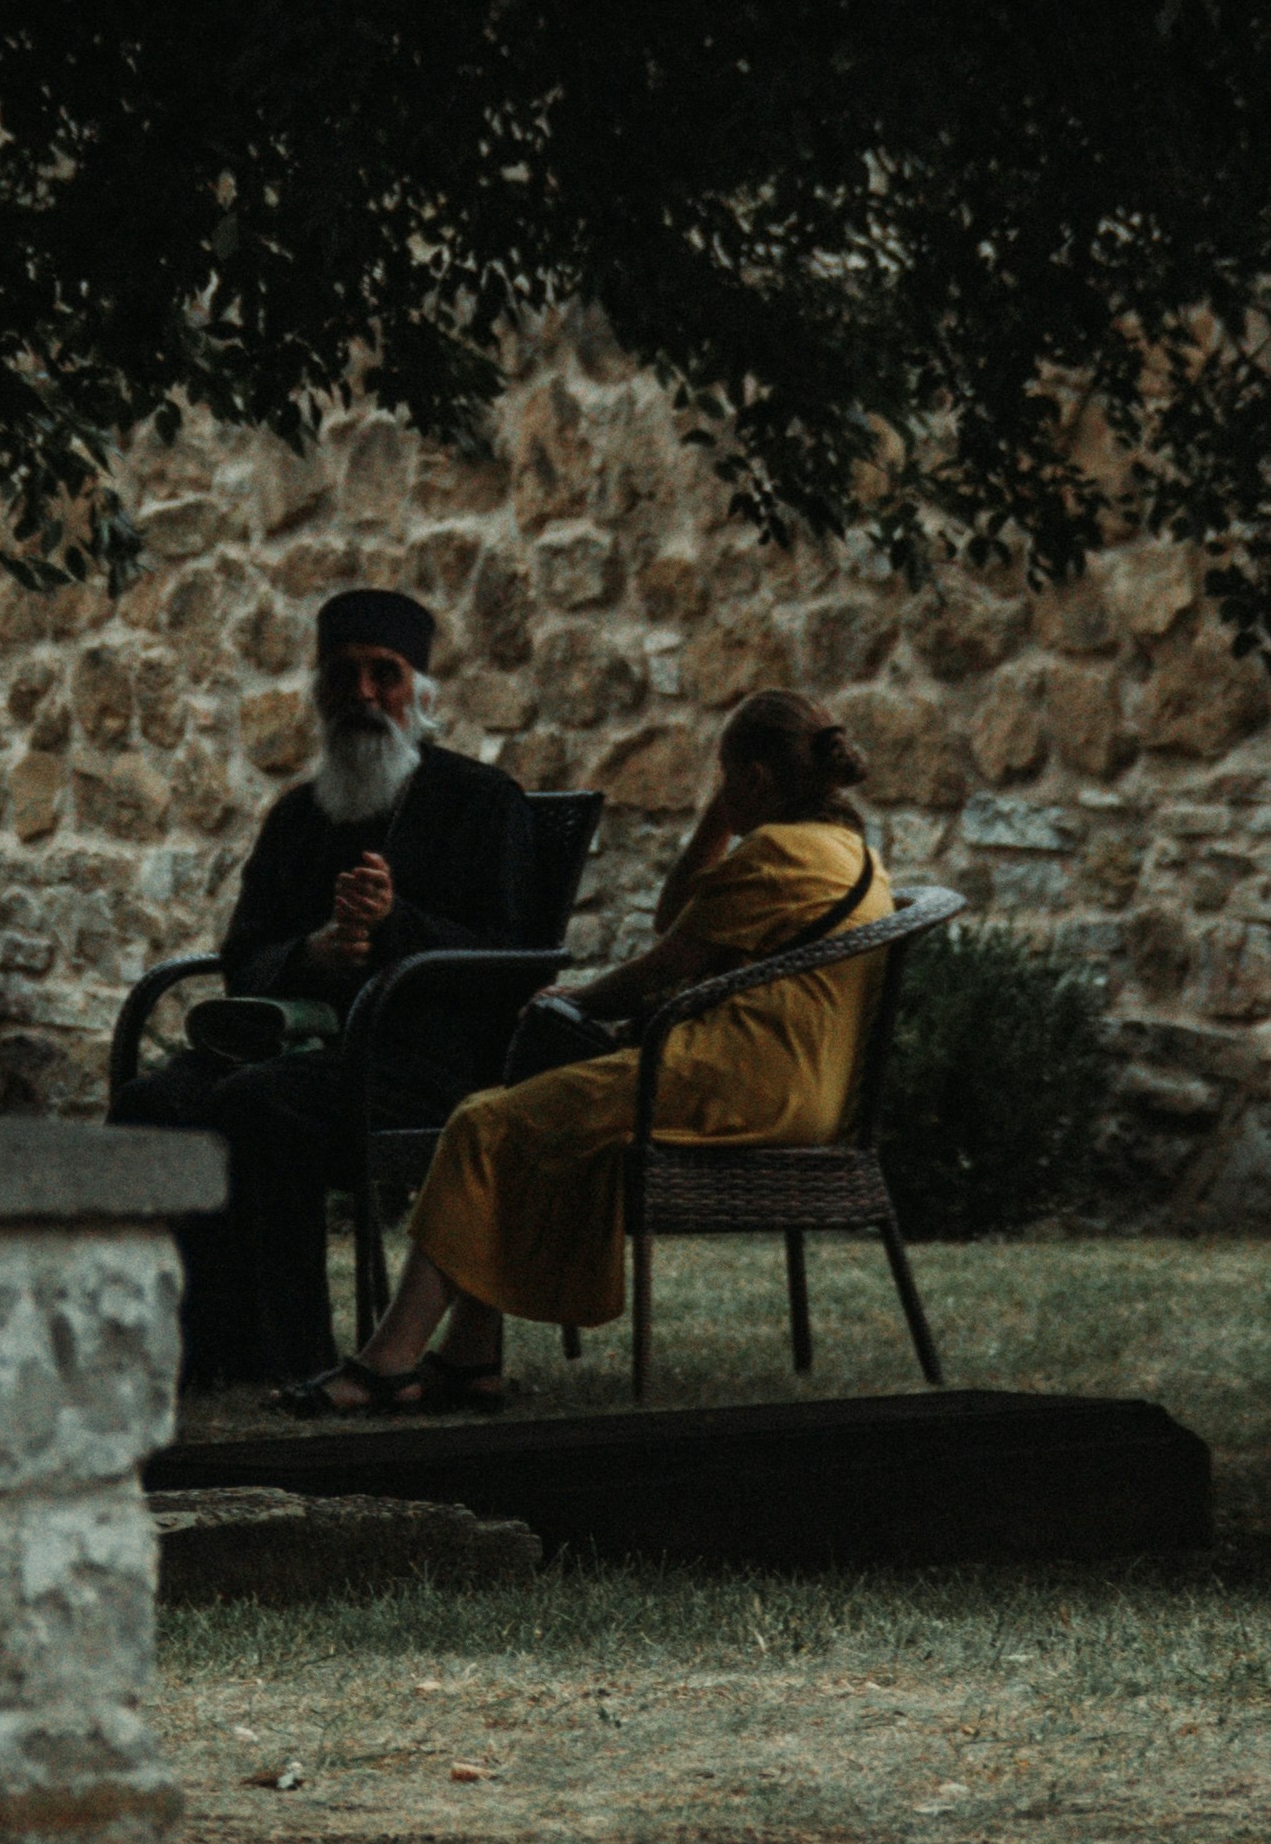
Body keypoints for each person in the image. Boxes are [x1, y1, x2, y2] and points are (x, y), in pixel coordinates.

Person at [281, 687, 890, 1413]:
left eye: (726, 778)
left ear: (755, 778)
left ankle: (387, 1363)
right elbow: (681, 914)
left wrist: (576, 999)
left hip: (731, 1084)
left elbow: (661, 966)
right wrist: (721, 818)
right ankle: (470, 1357)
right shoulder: (847, 851)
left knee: (481, 1123)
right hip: (801, 1090)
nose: (720, 793)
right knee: (519, 1123)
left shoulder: (778, 855)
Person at [111, 586, 546, 1390]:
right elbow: (244, 952)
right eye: (343, 675)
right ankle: (189, 1350)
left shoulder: (482, 802)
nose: (363, 694)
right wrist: (311, 954)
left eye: (385, 674)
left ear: (421, 692)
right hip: (297, 1047)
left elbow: (517, 957)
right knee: (154, 1104)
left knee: (259, 1104)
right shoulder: (298, 816)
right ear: (319, 690)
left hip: (425, 1062)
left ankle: (286, 1354)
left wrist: (396, 925)